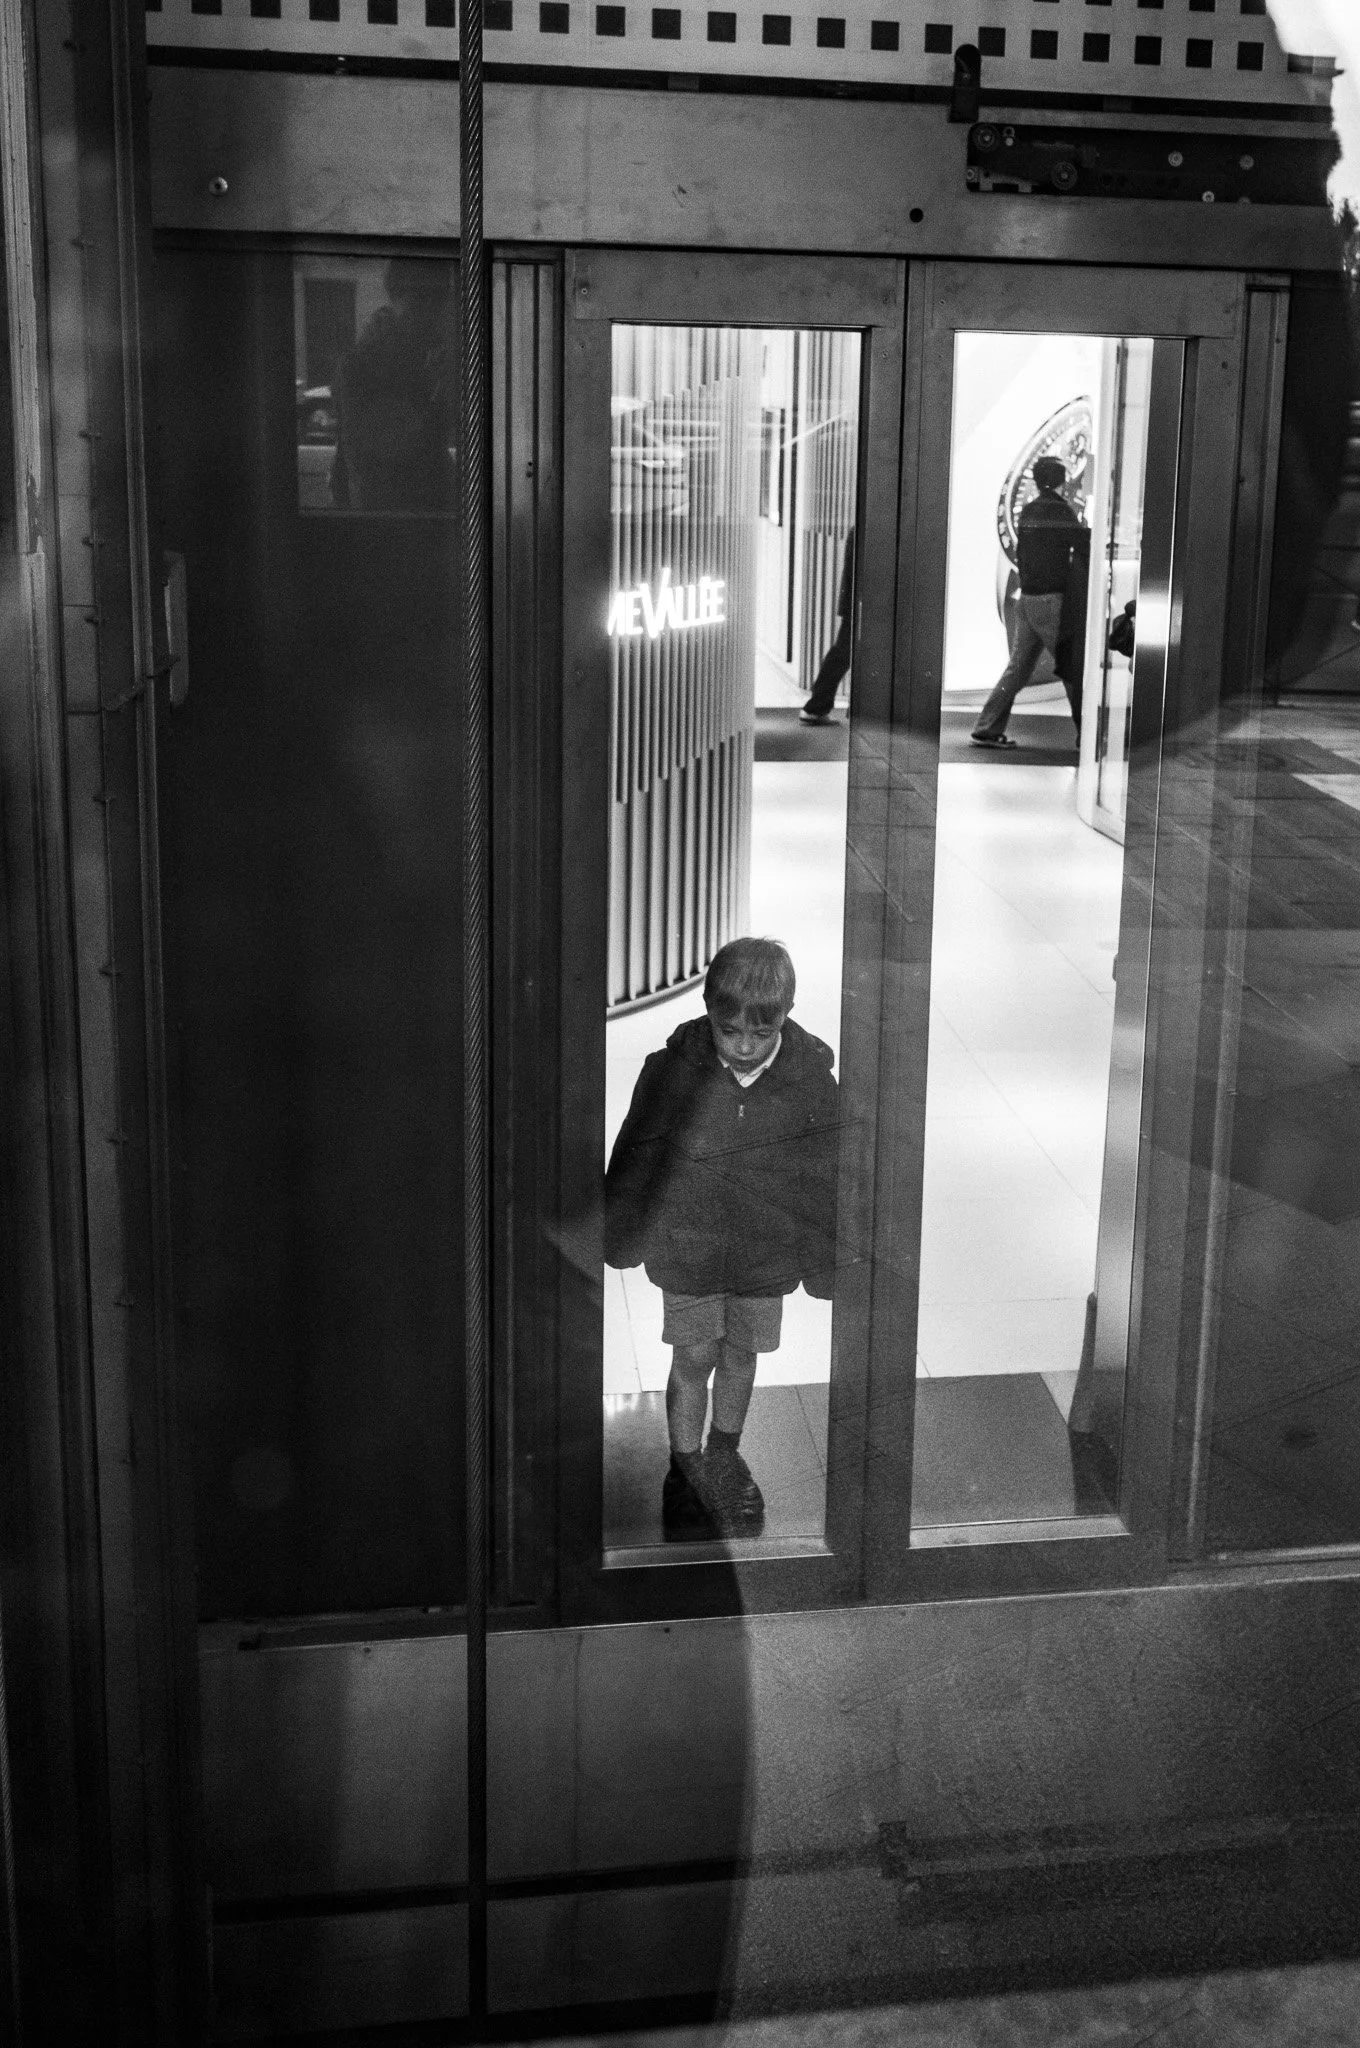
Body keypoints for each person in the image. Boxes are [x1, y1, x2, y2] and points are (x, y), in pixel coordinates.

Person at [604, 937, 839, 1542]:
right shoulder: (672, 1073)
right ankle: (683, 1468)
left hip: (765, 1254)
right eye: (726, 1029)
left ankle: (724, 1452)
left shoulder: (811, 1083)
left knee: (741, 1353)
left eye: (758, 1035)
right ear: (709, 1011)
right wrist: (621, 1232)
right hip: (688, 1252)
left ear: (783, 1017)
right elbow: (637, 1151)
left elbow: (827, 1174)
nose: (741, 1045)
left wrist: (825, 1260)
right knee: (693, 1356)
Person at [972, 457, 1087, 749]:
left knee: (1018, 668)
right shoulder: (1061, 512)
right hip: (1051, 602)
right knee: (1071, 668)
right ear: (1062, 480)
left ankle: (986, 727)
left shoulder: (1029, 512)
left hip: (1028, 599)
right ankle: (1087, 734)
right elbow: (1084, 545)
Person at [799, 527, 855, 725]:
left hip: (856, 605)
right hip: (862, 606)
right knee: (843, 654)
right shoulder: (867, 530)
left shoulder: (859, 529)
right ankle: (816, 707)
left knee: (843, 653)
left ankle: (817, 706)